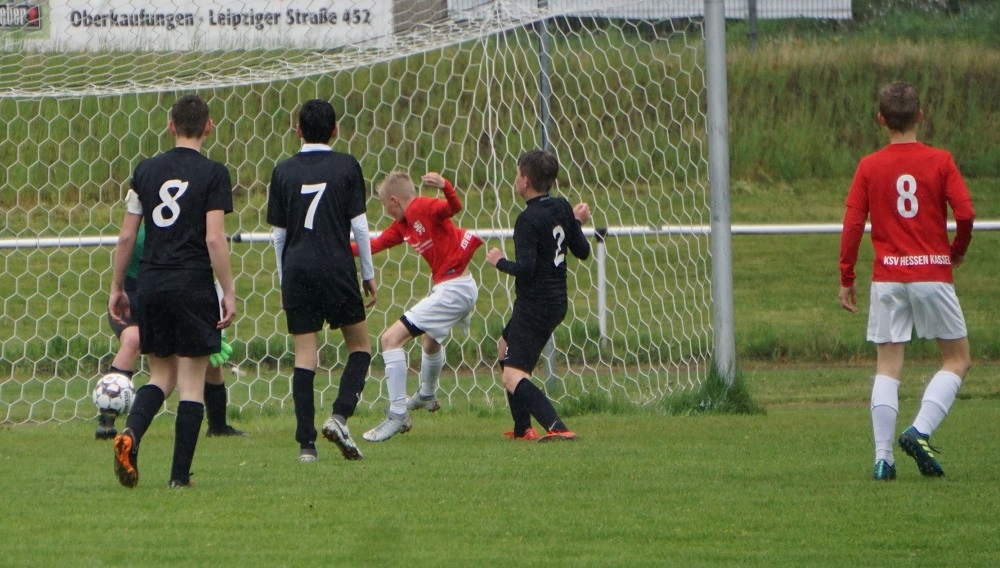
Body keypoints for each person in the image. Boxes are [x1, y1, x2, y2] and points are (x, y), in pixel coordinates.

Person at [838, 81, 975, 481]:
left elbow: (853, 223)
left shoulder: (869, 166)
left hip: (889, 278)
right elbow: (966, 213)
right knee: (957, 359)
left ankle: (883, 460)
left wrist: (847, 275)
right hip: (932, 272)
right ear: (920, 116)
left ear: (881, 120)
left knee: (887, 366)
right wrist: (956, 249)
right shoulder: (940, 160)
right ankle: (919, 430)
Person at [109, 93, 237, 488]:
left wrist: (117, 286)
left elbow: (126, 236)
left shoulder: (145, 170)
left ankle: (130, 433)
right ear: (208, 127)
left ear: (170, 126)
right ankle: (179, 478)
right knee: (191, 384)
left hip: (151, 282)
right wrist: (228, 291)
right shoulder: (214, 173)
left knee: (160, 375)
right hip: (192, 282)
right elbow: (214, 239)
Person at [266, 99, 377, 462]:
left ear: (298, 130)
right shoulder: (347, 165)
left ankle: (306, 446)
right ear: (335, 130)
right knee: (360, 347)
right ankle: (340, 416)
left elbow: (278, 236)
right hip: (336, 267)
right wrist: (368, 274)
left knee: (305, 355)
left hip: (297, 269)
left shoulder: (283, 171)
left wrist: (283, 280)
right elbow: (360, 227)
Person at [355, 171, 483, 442]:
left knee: (390, 339)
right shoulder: (403, 226)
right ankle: (426, 394)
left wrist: (446, 186)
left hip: (455, 289)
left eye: (385, 206)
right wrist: (333, 247)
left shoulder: (422, 206)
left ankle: (397, 415)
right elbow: (372, 246)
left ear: (393, 200)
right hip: (456, 288)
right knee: (430, 341)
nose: (386, 212)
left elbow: (454, 207)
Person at [97, 224, 245, 441]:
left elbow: (214, 253)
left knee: (207, 353)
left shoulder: (190, 229)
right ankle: (106, 420)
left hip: (173, 289)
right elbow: (126, 239)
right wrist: (116, 288)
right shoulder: (147, 231)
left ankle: (218, 425)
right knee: (134, 342)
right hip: (137, 292)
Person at [486, 149, 591, 442]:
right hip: (556, 301)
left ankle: (558, 427)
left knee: (512, 376)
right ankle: (523, 428)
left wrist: (500, 262)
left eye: (517, 174)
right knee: (504, 347)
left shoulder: (527, 220)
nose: (515, 179)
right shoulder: (561, 207)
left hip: (535, 303)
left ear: (526, 180)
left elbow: (527, 269)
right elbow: (583, 251)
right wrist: (575, 222)